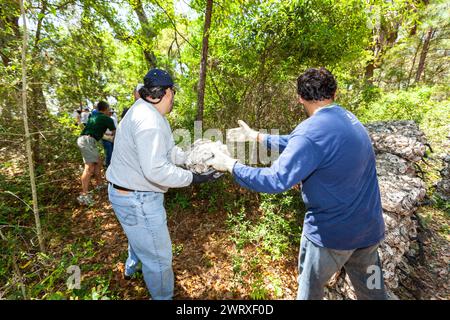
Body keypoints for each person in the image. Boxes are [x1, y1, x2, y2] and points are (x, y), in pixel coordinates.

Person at [206, 67, 387, 300]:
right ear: (335, 93)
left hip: (330, 237)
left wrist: (231, 165)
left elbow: (275, 179)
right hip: (368, 234)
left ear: (299, 97)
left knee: (309, 291)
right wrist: (257, 136)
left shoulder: (311, 131)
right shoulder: (348, 119)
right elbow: (300, 144)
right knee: (374, 293)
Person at [106, 69, 218, 300]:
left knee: (139, 238)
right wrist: (194, 178)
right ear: (167, 92)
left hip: (126, 194)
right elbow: (156, 169)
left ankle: (132, 268)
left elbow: (167, 152)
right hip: (138, 200)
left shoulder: (144, 112)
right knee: (158, 259)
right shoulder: (150, 121)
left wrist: (190, 159)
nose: (173, 98)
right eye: (173, 92)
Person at [76, 101, 116, 206]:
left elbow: (98, 132)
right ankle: (83, 195)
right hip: (88, 140)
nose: (110, 111)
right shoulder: (107, 119)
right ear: (105, 109)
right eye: (109, 109)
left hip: (87, 140)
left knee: (98, 162)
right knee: (89, 168)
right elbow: (115, 134)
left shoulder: (94, 116)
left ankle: (99, 184)